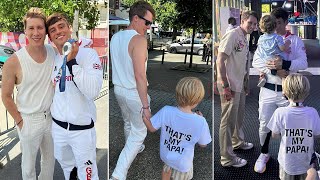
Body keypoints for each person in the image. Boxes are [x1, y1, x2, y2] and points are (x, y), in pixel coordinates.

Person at [46, 13, 103, 180]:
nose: (58, 31)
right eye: (53, 30)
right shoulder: (54, 60)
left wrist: (72, 63)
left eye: (61, 26)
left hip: (82, 131)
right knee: (68, 169)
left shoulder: (88, 54)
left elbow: (92, 91)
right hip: (58, 129)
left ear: (69, 28)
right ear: (50, 37)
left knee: (87, 175)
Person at [1, 7, 56, 180]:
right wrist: (19, 121)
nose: (36, 32)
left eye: (40, 27)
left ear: (45, 31)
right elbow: (6, 95)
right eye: (31, 28)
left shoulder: (53, 52)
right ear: (25, 31)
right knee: (28, 168)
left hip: (50, 118)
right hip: (28, 120)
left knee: (49, 162)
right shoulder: (14, 61)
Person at [252, 7, 308, 173]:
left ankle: (288, 155)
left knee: (290, 124)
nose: (274, 26)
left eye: (278, 23)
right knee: (264, 123)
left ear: (285, 22)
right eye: (272, 23)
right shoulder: (265, 39)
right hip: (268, 89)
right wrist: (275, 70)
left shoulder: (295, 41)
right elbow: (256, 61)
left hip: (288, 91)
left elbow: (303, 63)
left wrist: (286, 65)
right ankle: (264, 153)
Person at [109, 1, 155, 179]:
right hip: (133, 92)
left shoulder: (115, 37)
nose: (149, 27)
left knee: (128, 123)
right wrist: (145, 105)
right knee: (139, 132)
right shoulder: (139, 40)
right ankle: (119, 173)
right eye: (147, 22)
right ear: (135, 18)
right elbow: (140, 76)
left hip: (118, 90)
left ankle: (135, 147)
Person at [142, 77, 212, 180]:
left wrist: (144, 118)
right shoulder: (200, 121)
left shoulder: (166, 111)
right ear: (197, 100)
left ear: (177, 95)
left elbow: (152, 128)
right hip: (183, 164)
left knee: (166, 174)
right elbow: (203, 144)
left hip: (167, 158)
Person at [216, 10, 258, 168]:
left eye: (255, 24)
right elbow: (220, 60)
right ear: (243, 20)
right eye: (250, 23)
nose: (253, 26)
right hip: (230, 85)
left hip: (239, 84)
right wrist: (225, 85)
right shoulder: (233, 34)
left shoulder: (244, 37)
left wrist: (246, 82)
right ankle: (227, 158)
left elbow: (242, 62)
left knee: (238, 116)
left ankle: (237, 142)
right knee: (227, 121)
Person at [267, 73, 320, 179]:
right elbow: (317, 134)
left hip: (287, 161)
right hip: (306, 161)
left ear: (285, 92)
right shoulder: (312, 112)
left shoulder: (280, 112)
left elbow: (275, 135)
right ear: (306, 92)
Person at [255, 15, 291, 88]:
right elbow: (282, 48)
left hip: (266, 60)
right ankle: (285, 88)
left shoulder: (261, 38)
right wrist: (287, 43)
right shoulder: (277, 38)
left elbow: (260, 49)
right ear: (275, 26)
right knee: (284, 72)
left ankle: (262, 76)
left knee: (262, 69)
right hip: (276, 60)